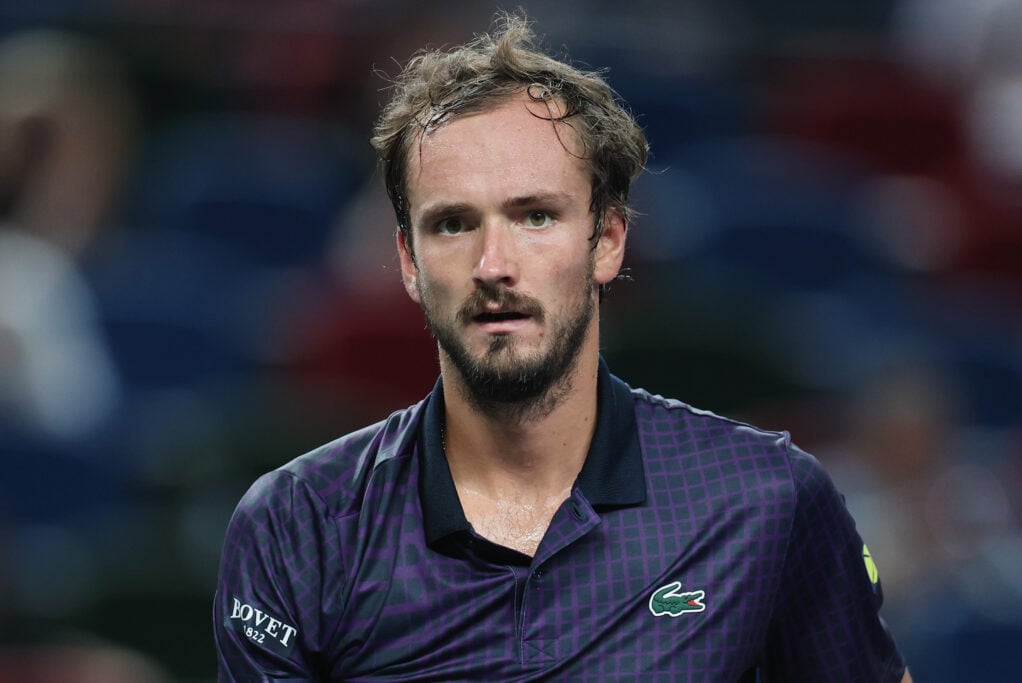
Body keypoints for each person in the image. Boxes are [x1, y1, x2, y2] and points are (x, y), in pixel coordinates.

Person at [214, 13, 912, 682]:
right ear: (408, 260)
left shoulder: (767, 500)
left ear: (607, 239)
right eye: (453, 224)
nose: (494, 263)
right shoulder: (297, 525)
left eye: (536, 215)